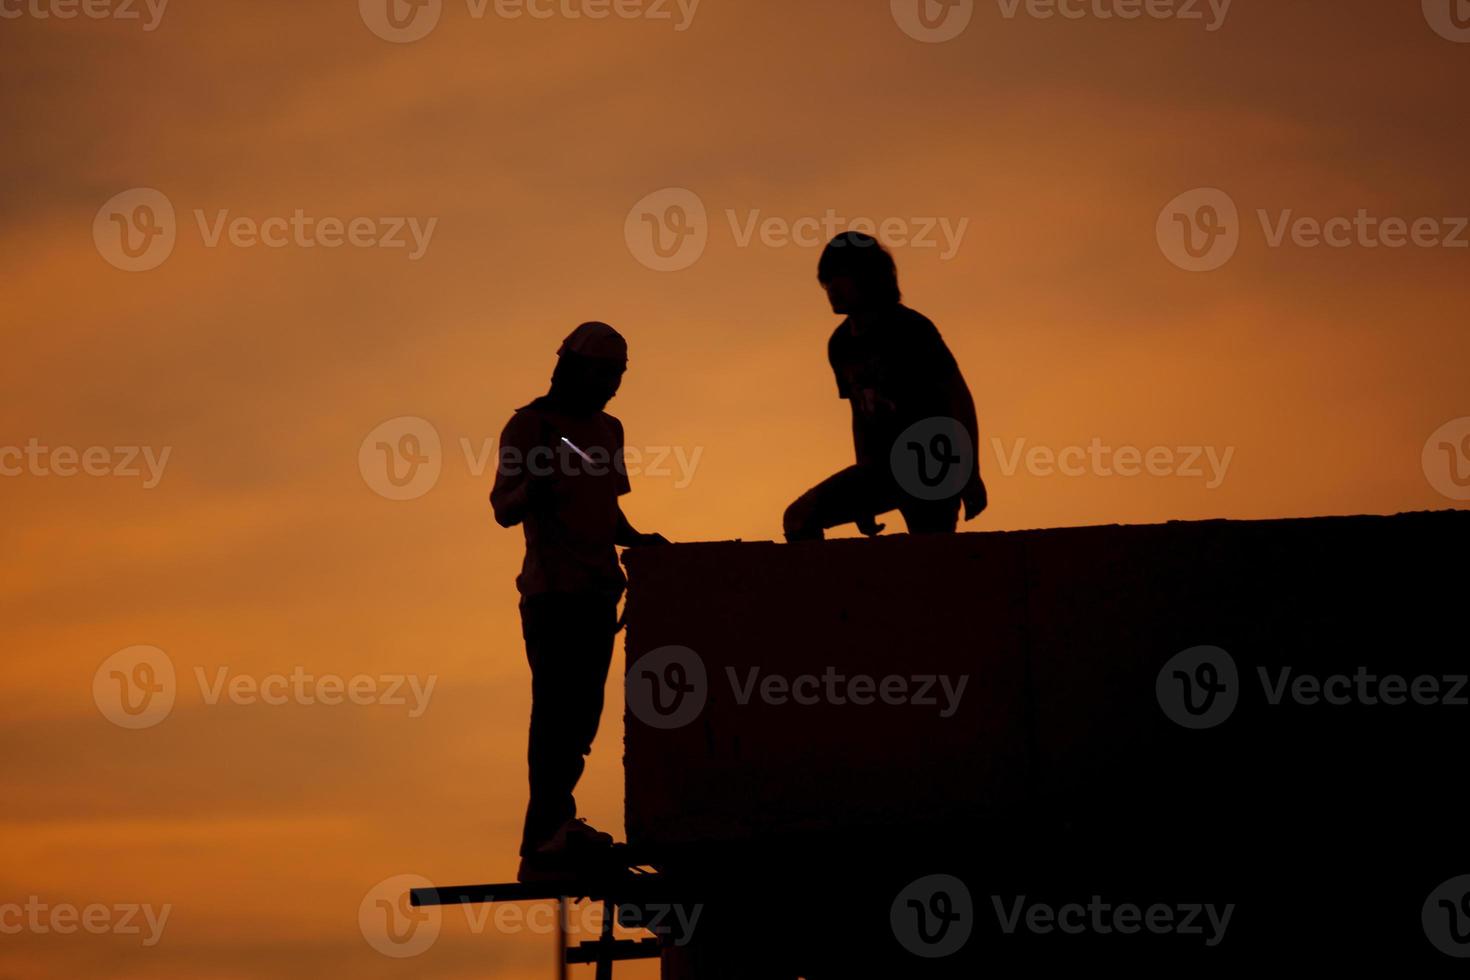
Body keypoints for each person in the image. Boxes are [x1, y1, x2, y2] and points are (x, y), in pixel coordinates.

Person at [490, 321, 667, 882]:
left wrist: (638, 540)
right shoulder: (531, 427)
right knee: (556, 719)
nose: (612, 385)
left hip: (597, 594)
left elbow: (606, 510)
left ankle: (556, 832)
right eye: (604, 372)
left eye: (619, 375)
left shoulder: (609, 430)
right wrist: (534, 490)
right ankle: (541, 842)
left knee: (580, 724)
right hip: (552, 594)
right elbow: (502, 506)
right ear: (573, 368)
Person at [783, 232, 987, 541]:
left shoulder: (911, 329)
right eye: (827, 280)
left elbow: (958, 397)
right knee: (799, 518)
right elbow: (859, 414)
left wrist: (970, 473)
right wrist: (862, 489)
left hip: (932, 463)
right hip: (882, 468)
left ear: (867, 277)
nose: (832, 288)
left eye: (841, 277)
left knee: (931, 563)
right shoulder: (840, 344)